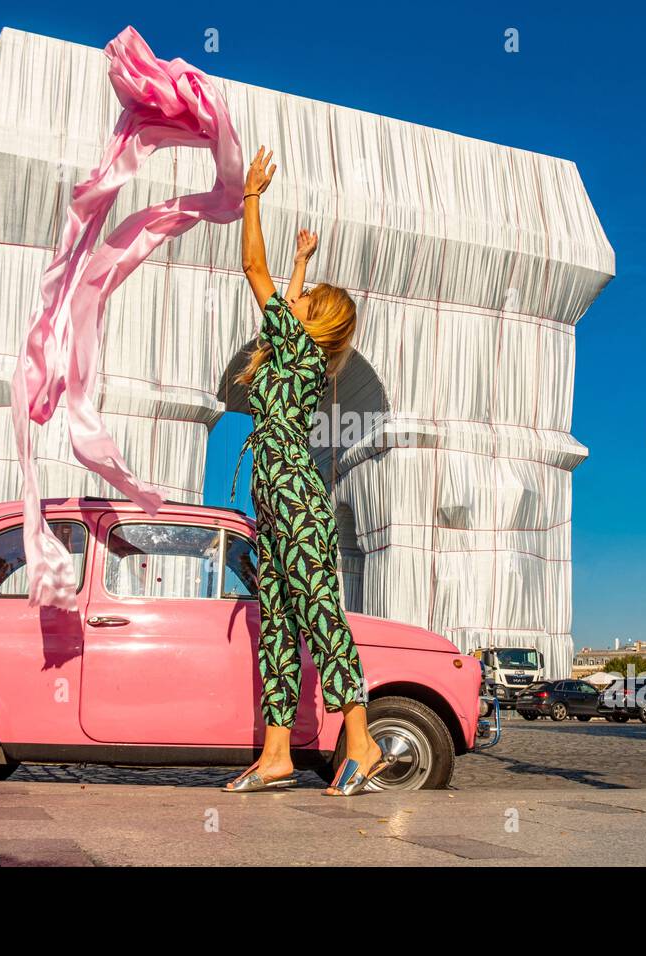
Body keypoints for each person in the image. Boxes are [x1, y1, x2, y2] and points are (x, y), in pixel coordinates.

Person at [223, 146, 393, 796]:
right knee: (280, 627)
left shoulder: (291, 349)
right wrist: (302, 266)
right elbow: (282, 293)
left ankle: (363, 738)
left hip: (293, 498)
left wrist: (252, 196)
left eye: (306, 300)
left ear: (312, 322)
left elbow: (249, 266)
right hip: (278, 499)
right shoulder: (296, 354)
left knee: (319, 612)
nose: (294, 304)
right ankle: (276, 755)